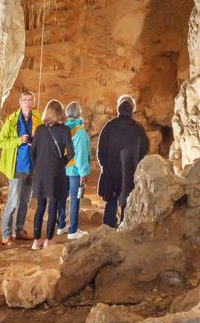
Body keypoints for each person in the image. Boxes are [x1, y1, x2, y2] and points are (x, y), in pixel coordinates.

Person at [0, 89, 37, 243]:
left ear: (33, 102)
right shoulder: (12, 121)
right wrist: (18, 141)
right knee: (13, 202)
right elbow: (0, 141)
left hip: (31, 166)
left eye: (30, 100)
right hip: (16, 166)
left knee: (25, 201)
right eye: (25, 100)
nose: (28, 103)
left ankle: (19, 231)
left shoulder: (37, 118)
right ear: (20, 103)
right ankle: (5, 234)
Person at [96, 95, 147, 228]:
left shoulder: (109, 126)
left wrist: (104, 165)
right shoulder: (138, 129)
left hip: (111, 171)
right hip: (129, 172)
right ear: (132, 109)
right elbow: (145, 148)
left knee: (111, 202)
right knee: (128, 202)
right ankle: (124, 229)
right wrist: (137, 164)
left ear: (118, 108)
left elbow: (100, 149)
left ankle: (107, 230)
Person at [28, 100, 72, 249]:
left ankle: (36, 241)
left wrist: (38, 165)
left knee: (40, 207)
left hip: (40, 172)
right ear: (60, 113)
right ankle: (48, 240)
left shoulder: (40, 130)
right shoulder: (65, 130)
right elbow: (71, 153)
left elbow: (32, 151)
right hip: (56, 172)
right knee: (52, 205)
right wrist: (61, 162)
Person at [63, 101, 92, 239]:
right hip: (74, 171)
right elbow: (80, 154)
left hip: (62, 168)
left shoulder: (63, 127)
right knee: (74, 199)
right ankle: (73, 230)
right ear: (79, 113)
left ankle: (61, 225)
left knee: (62, 197)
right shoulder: (79, 131)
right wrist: (83, 173)